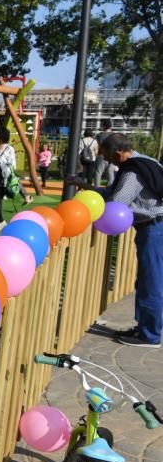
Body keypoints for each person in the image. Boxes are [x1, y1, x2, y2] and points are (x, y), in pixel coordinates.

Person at [71, 133, 162, 348]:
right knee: (148, 279)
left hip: (154, 228)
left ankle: (149, 335)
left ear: (119, 153)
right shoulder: (148, 162)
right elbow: (111, 192)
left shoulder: (133, 172)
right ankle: (144, 327)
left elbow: (116, 203)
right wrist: (83, 185)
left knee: (152, 282)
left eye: (109, 158)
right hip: (154, 226)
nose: (108, 162)